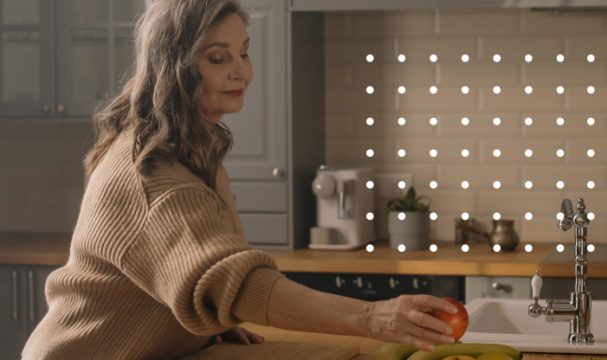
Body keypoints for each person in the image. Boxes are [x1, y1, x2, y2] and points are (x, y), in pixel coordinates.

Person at [22, 1, 458, 359]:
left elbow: (182, 273)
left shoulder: (193, 145)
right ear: (174, 68)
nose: (241, 71)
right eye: (217, 58)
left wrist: (201, 328)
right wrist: (372, 316)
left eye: (243, 52)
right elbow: (233, 281)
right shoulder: (151, 174)